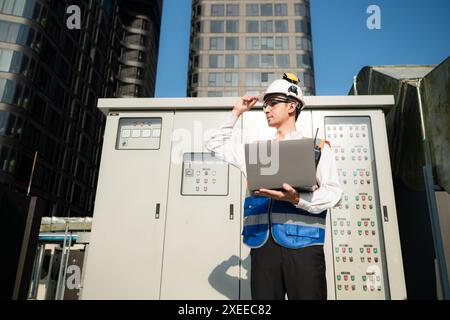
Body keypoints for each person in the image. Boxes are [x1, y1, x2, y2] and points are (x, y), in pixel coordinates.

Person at [205, 73, 343, 300]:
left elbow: (334, 194)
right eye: (264, 105)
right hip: (263, 248)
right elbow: (213, 145)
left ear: (292, 106)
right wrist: (236, 113)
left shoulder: (316, 149)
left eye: (272, 104)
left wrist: (297, 199)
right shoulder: (256, 152)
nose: (266, 109)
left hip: (305, 249)